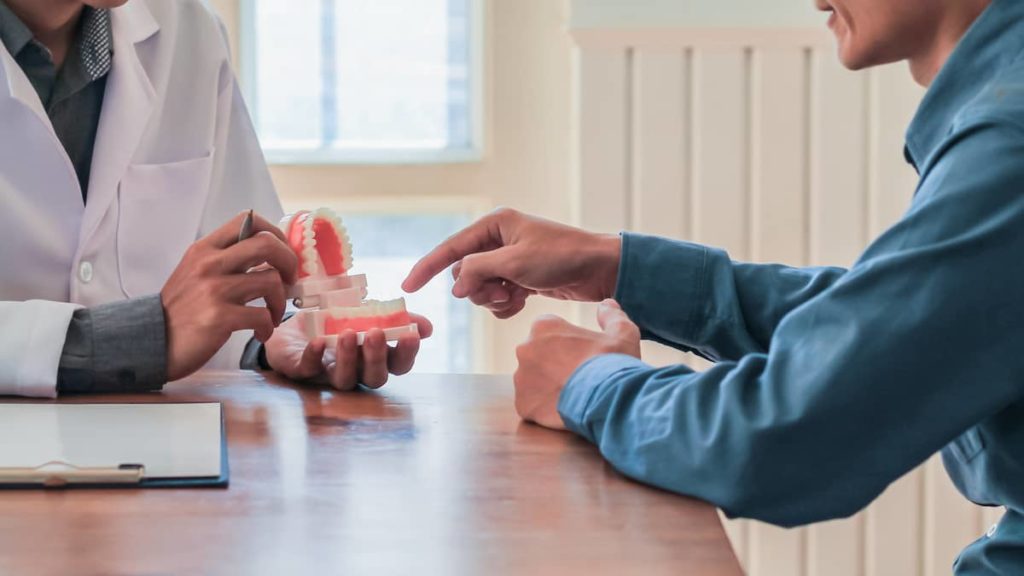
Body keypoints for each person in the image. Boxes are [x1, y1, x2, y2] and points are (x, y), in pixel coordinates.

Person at [404, 0, 1024, 572]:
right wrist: (617, 267)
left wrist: (587, 386)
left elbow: (785, 435)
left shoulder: (1008, 139)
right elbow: (897, 326)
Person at [0, 0, 427, 397]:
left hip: (165, 443)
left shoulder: (189, 32)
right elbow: (172, 325)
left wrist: (268, 341)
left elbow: (243, 280)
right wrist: (141, 336)